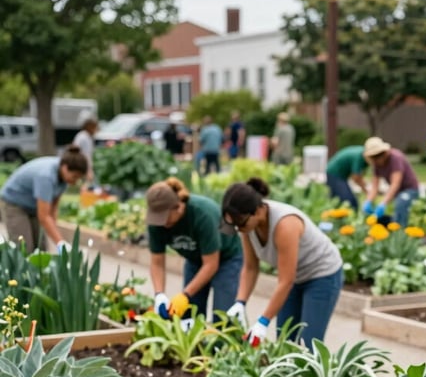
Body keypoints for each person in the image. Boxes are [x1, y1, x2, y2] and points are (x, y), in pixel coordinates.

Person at [221, 177, 344, 348]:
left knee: (309, 343)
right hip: (294, 278)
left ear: (257, 211)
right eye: (234, 226)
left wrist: (263, 321)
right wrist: (240, 302)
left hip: (322, 275)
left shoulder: (285, 225)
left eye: (240, 224)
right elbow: (250, 268)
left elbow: (286, 280)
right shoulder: (246, 227)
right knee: (285, 341)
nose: (238, 230)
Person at [145, 177, 243, 320]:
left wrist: (185, 295)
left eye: (164, 217)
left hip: (227, 258)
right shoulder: (156, 223)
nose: (161, 222)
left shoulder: (202, 214)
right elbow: (157, 262)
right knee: (189, 314)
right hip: (195, 259)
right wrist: (159, 294)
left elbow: (211, 264)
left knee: (222, 316)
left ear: (178, 207)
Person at [0, 145, 87, 253]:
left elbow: (52, 209)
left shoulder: (64, 178)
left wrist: (54, 232)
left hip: (32, 205)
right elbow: (44, 216)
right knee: (24, 247)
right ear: (65, 168)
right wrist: (60, 242)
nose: (75, 182)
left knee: (41, 249)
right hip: (14, 204)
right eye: (74, 177)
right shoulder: (46, 177)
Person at [362, 136, 419, 227]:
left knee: (400, 204)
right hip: (397, 192)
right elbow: (375, 187)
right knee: (382, 215)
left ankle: (400, 233)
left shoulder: (396, 158)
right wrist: (368, 202)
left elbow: (395, 184)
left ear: (383, 153)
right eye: (373, 157)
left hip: (410, 190)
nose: (375, 160)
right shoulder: (376, 164)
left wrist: (383, 204)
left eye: (377, 157)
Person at [325, 144, 369, 211]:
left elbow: (359, 174)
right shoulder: (359, 157)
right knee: (347, 200)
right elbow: (356, 177)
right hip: (334, 172)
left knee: (352, 202)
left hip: (342, 175)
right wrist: (365, 190)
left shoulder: (365, 156)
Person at [73, 117, 99, 184]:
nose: (96, 130)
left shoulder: (81, 135)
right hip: (81, 165)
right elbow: (87, 155)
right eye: (95, 128)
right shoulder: (85, 137)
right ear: (90, 127)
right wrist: (89, 170)